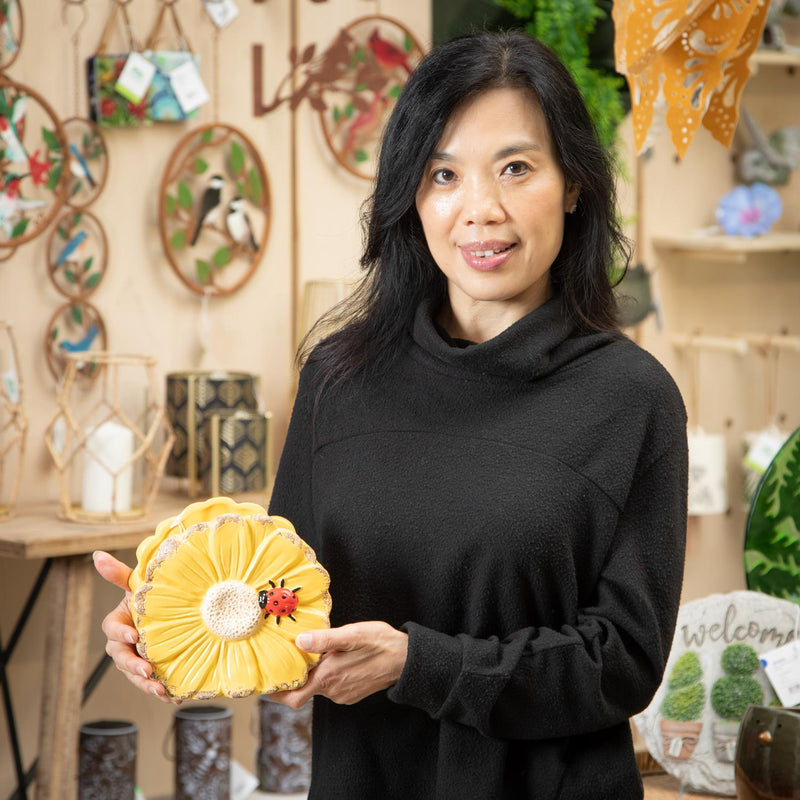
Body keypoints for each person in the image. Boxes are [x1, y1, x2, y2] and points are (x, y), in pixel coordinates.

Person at [95, 30, 688, 800]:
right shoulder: (340, 379)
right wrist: (171, 626)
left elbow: (624, 663)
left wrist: (420, 664)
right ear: (412, 192)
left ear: (573, 184)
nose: (480, 210)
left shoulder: (631, 399)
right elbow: (282, 608)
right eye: (444, 174)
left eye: (515, 167)